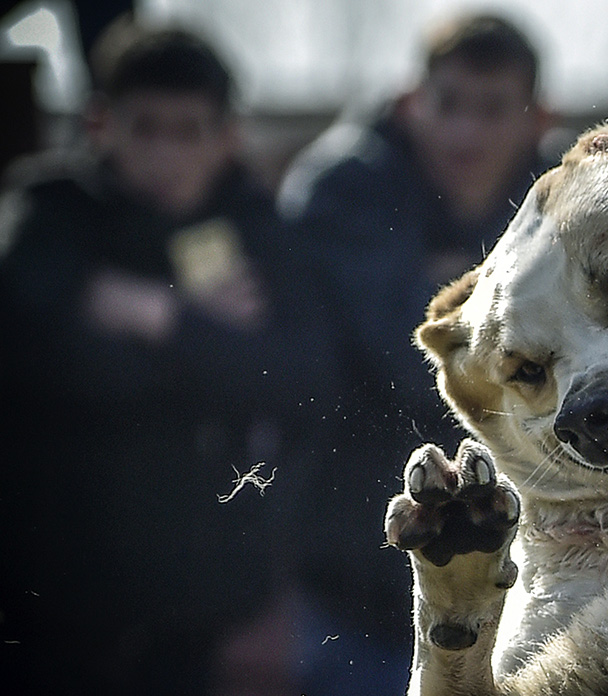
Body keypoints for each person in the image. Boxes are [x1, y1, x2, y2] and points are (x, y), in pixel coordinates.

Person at [0, 21, 337, 694]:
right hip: (51, 599)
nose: (166, 154)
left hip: (205, 614)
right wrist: (211, 339)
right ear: (101, 125)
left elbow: (299, 378)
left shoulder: (257, 229)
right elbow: (41, 360)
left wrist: (152, 312)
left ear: (227, 135)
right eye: (145, 128)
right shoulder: (53, 214)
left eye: (188, 131)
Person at [276, 14, 555, 690]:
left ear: (538, 119)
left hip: (520, 595)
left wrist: (447, 286)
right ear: (410, 102)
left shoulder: (565, 194)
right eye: (449, 104)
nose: (466, 133)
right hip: (351, 590)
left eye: (493, 109)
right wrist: (507, 297)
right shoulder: (342, 189)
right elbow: (418, 359)